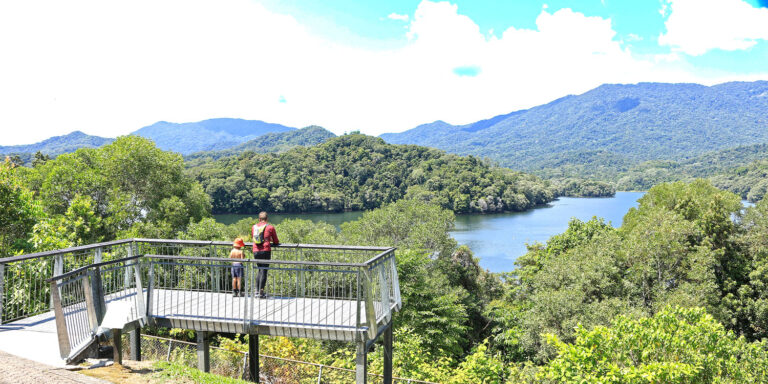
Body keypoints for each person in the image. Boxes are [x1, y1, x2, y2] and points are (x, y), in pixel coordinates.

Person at [252, 211, 279, 298]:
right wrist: (269, 239)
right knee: (264, 270)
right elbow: (276, 241)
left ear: (259, 219)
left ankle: (256, 291)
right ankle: (261, 292)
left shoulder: (254, 227)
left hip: (255, 250)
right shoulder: (270, 227)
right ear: (267, 219)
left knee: (259, 270)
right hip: (265, 250)